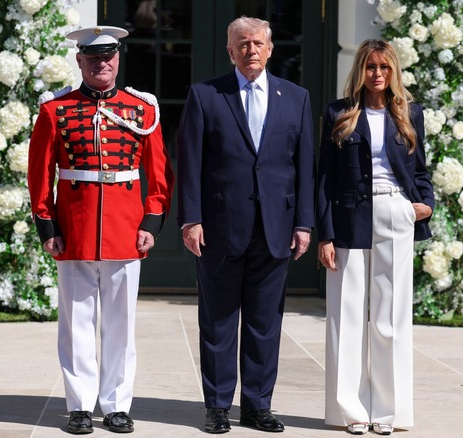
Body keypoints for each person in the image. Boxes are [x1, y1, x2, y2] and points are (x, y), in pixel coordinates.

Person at [28, 25, 174, 435]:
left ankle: (116, 405)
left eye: (107, 57)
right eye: (92, 58)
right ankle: (79, 406)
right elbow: (40, 175)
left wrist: (152, 220)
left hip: (126, 229)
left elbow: (158, 172)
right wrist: (47, 225)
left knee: (121, 325)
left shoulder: (142, 109)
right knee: (76, 323)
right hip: (73, 229)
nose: (101, 64)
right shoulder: (54, 110)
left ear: (118, 59)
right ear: (80, 61)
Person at [177, 16, 314, 434]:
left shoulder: (296, 97)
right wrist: (191, 219)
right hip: (219, 226)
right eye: (242, 43)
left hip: (276, 227)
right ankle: (217, 406)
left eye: (257, 42)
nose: (250, 49)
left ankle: (257, 406)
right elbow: (190, 163)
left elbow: (304, 166)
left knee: (264, 323)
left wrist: (305, 223)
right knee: (217, 321)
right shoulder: (205, 95)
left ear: (270, 49)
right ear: (230, 50)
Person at [316, 39, 435, 435]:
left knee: (391, 319)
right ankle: (349, 411)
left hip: (396, 213)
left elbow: (420, 169)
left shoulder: (409, 113)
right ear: (361, 70)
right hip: (349, 217)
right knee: (346, 319)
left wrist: (424, 205)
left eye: (384, 67)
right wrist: (325, 234)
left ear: (394, 71)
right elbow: (325, 178)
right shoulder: (339, 112)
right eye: (370, 67)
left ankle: (389, 413)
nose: (377, 74)